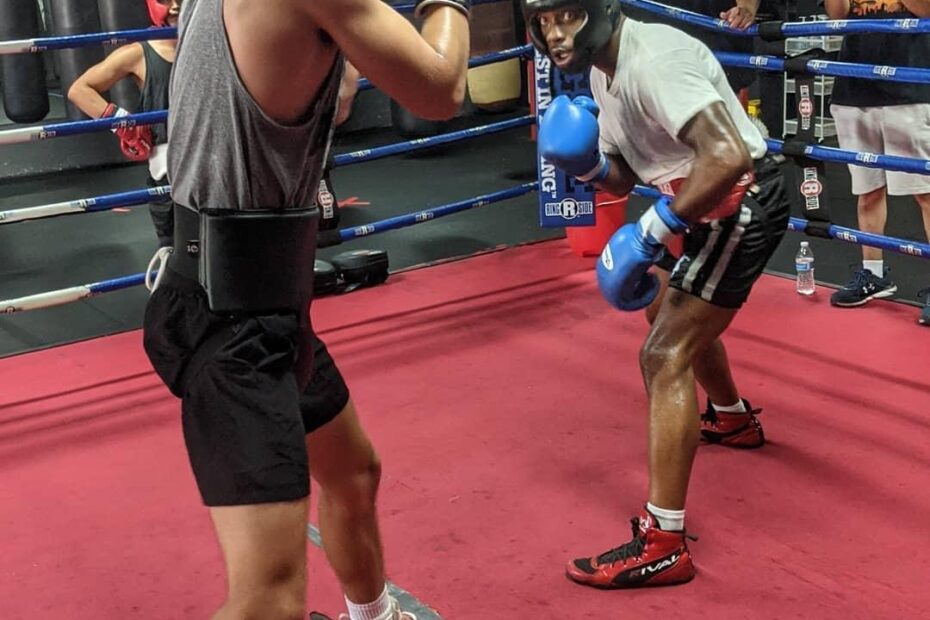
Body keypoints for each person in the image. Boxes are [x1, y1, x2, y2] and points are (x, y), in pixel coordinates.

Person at [141, 2, 469, 620]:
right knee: (269, 597)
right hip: (230, 318)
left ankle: (373, 615)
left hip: (265, 299)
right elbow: (443, 89)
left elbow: (332, 96)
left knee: (353, 473)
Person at [524, 0, 789, 587]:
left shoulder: (656, 60)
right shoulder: (601, 69)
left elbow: (728, 155)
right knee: (664, 312)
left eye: (566, 15)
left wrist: (654, 227)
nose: (555, 32)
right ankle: (732, 418)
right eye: (543, 21)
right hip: (699, 198)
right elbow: (627, 169)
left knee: (663, 355)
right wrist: (589, 165)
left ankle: (664, 544)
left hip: (738, 201)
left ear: (600, 10)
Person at [823, 0, 930, 326]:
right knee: (867, 190)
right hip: (854, 86)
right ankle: (873, 274)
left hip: (909, 86)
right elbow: (837, 16)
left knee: (925, 192)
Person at [68, 0, 180, 248]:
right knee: (174, 256)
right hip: (168, 168)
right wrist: (121, 121)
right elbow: (80, 89)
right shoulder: (139, 52)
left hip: (211, 164)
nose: (174, 6)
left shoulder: (208, 45)